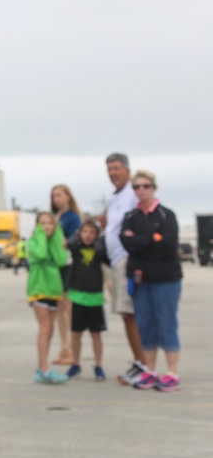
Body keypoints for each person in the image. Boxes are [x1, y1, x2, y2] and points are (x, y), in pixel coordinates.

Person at [120, 170, 183, 392]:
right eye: (137, 187)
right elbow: (127, 244)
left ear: (154, 188)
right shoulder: (130, 217)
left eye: (145, 186)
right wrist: (151, 240)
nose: (141, 190)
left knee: (166, 322)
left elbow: (167, 245)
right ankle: (150, 371)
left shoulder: (167, 216)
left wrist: (140, 241)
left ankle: (172, 372)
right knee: (145, 324)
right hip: (139, 280)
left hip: (166, 279)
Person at [100, 153, 147, 386]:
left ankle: (143, 364)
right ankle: (140, 362)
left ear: (127, 170)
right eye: (109, 169)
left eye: (117, 168)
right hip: (116, 262)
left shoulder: (131, 194)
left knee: (131, 314)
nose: (112, 173)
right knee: (127, 314)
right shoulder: (116, 196)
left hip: (127, 260)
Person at [26, 212, 69, 384]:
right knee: (45, 328)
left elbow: (61, 260)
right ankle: (43, 369)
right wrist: (41, 236)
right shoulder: (34, 242)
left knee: (50, 329)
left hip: (54, 290)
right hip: (39, 289)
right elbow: (41, 254)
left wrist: (57, 239)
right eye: (43, 223)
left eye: (50, 223)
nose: (47, 227)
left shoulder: (55, 241)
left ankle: (42, 367)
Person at [65, 220, 109, 381]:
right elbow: (69, 243)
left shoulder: (99, 250)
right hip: (78, 296)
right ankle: (75, 364)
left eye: (92, 232)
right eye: (85, 232)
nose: (88, 235)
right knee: (76, 333)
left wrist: (99, 240)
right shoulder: (77, 248)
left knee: (96, 334)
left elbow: (102, 253)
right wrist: (77, 233)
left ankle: (98, 365)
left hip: (95, 297)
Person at [49, 184, 82, 366]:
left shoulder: (73, 218)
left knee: (66, 310)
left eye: (59, 195)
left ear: (68, 196)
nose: (56, 199)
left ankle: (69, 349)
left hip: (68, 265)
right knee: (59, 310)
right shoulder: (55, 217)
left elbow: (73, 240)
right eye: (54, 196)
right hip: (55, 266)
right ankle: (63, 347)